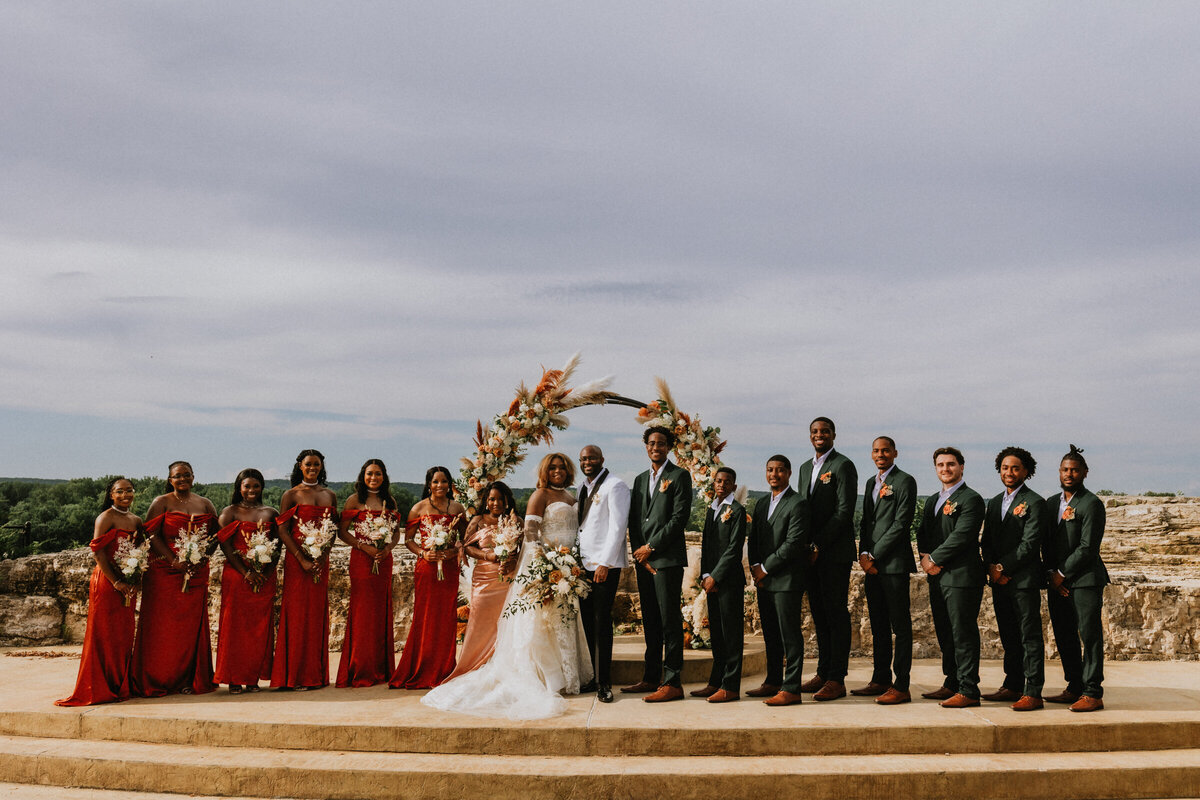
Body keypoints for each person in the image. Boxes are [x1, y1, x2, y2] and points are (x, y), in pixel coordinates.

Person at [421, 453, 593, 719]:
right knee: (543, 623)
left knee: (562, 620)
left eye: (562, 467)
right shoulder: (539, 495)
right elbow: (532, 535)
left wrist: (570, 563)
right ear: (545, 471)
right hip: (547, 565)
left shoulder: (571, 498)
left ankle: (568, 674)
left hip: (568, 566)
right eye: (552, 467)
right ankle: (547, 677)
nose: (557, 471)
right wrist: (546, 566)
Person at [129, 461, 218, 697]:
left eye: (186, 475)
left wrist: (201, 559)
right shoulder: (162, 502)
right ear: (170, 479)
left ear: (193, 476)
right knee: (163, 628)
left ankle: (187, 679)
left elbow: (216, 536)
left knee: (188, 629)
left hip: (195, 572)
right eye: (177, 476)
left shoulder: (205, 503)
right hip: (163, 573)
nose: (182, 479)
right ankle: (157, 678)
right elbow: (151, 533)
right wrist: (174, 560)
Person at [57, 478, 142, 706]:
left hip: (128, 583)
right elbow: (98, 553)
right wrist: (116, 582)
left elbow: (140, 551)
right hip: (107, 583)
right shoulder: (105, 517)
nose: (126, 495)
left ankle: (119, 685)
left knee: (123, 633)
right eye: (120, 491)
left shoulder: (136, 520)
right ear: (111, 495)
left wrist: (136, 578)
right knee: (103, 632)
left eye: (129, 491)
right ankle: (99, 687)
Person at [625, 426, 693, 703]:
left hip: (666, 559)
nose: (656, 447)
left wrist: (651, 548)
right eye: (652, 443)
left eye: (662, 443)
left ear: (669, 447)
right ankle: (650, 677)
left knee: (669, 622)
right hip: (644, 561)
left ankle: (672, 681)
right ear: (646, 446)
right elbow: (634, 519)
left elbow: (679, 519)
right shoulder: (640, 479)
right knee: (650, 621)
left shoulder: (680, 476)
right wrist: (639, 554)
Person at [916, 447, 986, 708]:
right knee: (945, 632)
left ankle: (969, 689)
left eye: (951, 464)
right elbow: (922, 532)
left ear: (962, 467)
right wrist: (925, 557)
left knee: (963, 633)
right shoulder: (934, 499)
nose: (945, 469)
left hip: (962, 577)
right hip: (937, 577)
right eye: (940, 465)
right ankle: (952, 682)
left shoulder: (972, 499)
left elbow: (962, 535)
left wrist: (934, 560)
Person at [795, 416, 857, 701]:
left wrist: (819, 543)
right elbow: (803, 509)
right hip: (811, 555)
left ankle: (837, 678)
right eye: (815, 432)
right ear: (810, 437)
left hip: (834, 553)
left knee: (835, 614)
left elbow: (844, 511)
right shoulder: (807, 467)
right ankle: (822, 671)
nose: (819, 435)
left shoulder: (842, 465)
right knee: (818, 615)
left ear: (834, 434)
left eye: (825, 431)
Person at [980, 447, 1047, 711]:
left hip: (1023, 580)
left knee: (1028, 636)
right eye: (1005, 468)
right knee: (1008, 635)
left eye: (1015, 468)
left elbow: (1030, 544)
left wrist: (1003, 567)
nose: (1010, 472)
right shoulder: (995, 502)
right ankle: (1012, 684)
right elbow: (987, 541)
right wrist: (991, 568)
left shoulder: (1035, 502)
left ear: (1026, 471)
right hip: (999, 580)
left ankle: (1033, 691)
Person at [853, 437, 918, 705]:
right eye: (877, 451)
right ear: (872, 455)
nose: (881, 455)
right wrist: (863, 554)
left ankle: (901, 685)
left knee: (899, 626)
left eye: (886, 450)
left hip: (893, 565)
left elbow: (901, 524)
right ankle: (880, 679)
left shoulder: (905, 481)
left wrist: (875, 554)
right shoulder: (871, 483)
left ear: (895, 453)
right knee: (878, 625)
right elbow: (867, 522)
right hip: (873, 568)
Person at [1044, 445, 1108, 712]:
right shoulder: (1050, 503)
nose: (1069, 474)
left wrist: (1061, 574)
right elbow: (1046, 542)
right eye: (1065, 469)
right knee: (1064, 634)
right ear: (1059, 472)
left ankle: (1093, 692)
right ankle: (1074, 686)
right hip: (1057, 581)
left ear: (1084, 473)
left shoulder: (1091, 503)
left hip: (1085, 579)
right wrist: (1051, 575)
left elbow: (1087, 547)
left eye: (1074, 470)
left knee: (1089, 634)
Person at [390, 466, 466, 689]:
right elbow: (409, 540)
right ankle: (422, 667)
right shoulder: (418, 508)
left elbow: (465, 537)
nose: (440, 486)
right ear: (428, 484)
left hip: (449, 569)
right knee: (426, 617)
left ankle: (444, 669)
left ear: (450, 484)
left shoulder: (457, 508)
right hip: (427, 568)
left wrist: (454, 551)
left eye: (444, 481)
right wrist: (424, 552)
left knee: (445, 618)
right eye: (435, 482)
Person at [271, 449, 338, 691]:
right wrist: (302, 559)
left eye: (317, 464)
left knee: (316, 615)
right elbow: (282, 530)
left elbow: (333, 529)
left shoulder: (330, 495)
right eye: (308, 464)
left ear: (322, 467)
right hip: (298, 563)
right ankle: (295, 675)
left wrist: (323, 554)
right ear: (300, 466)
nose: (313, 468)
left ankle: (315, 675)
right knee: (297, 615)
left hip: (321, 562)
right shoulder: (291, 495)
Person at [749, 455, 811, 706]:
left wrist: (765, 567)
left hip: (787, 579)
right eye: (770, 470)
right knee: (770, 634)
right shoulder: (762, 503)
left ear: (789, 473)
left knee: (790, 635)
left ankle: (792, 687)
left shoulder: (798, 504)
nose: (774, 474)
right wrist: (755, 568)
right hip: (764, 580)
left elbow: (794, 543)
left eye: (780, 470)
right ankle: (772, 680)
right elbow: (753, 539)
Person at [336, 459, 403, 688]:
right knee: (363, 612)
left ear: (384, 476)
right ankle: (360, 668)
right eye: (369, 474)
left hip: (383, 560)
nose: (373, 478)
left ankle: (381, 669)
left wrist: (387, 548)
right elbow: (342, 532)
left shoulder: (390, 501)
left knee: (380, 611)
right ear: (362, 476)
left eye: (378, 474)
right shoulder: (354, 500)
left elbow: (394, 533)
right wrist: (364, 547)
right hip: (362, 560)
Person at [443, 481, 519, 679]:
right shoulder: (477, 520)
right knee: (479, 620)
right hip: (484, 579)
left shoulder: (515, 520)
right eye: (492, 499)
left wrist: (513, 561)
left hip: (507, 578)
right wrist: (488, 556)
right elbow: (466, 546)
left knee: (507, 620)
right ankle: (472, 663)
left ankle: (503, 665)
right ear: (486, 501)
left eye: (501, 499)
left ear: (507, 501)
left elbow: (524, 549)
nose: (496, 503)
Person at [214, 468, 278, 694]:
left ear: (262, 487)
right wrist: (247, 572)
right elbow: (227, 548)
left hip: (264, 578)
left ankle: (252, 678)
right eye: (247, 486)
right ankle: (233, 678)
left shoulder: (270, 513)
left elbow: (277, 548)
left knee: (259, 630)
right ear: (239, 488)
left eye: (256, 486)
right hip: (237, 575)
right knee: (235, 628)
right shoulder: (229, 513)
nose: (251, 490)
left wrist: (266, 574)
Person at [576, 445, 631, 703]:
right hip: (582, 565)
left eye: (592, 458)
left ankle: (604, 682)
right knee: (586, 622)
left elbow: (618, 527)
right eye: (584, 459)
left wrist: (605, 563)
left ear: (602, 459)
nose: (588, 462)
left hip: (603, 566)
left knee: (601, 623)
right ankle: (590, 677)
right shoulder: (581, 488)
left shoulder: (615, 485)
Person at [692, 466, 747, 703]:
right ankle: (716, 682)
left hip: (729, 582)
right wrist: (705, 575)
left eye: (727, 482)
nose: (721, 485)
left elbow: (733, 549)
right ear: (713, 484)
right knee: (717, 634)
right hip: (711, 581)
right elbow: (707, 547)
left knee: (731, 634)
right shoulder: (711, 510)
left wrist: (716, 576)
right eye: (718, 481)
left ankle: (731, 686)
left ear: (734, 486)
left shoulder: (737, 510)